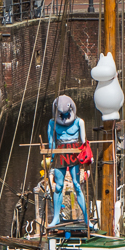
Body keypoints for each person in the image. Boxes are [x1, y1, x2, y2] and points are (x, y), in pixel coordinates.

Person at [47, 94, 88, 227]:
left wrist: (87, 156)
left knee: (77, 185)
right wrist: (51, 157)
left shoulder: (79, 122)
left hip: (74, 153)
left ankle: (86, 218)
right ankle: (56, 218)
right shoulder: (52, 123)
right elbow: (51, 141)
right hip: (60, 154)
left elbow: (83, 142)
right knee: (58, 187)